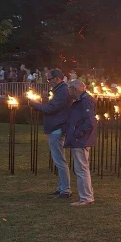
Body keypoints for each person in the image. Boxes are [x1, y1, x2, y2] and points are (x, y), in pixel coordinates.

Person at [29, 69, 73, 198]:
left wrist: (35, 104)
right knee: (58, 159)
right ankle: (61, 188)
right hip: (54, 126)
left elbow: (51, 109)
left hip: (56, 127)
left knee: (59, 160)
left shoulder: (63, 91)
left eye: (50, 79)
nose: (48, 81)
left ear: (58, 78)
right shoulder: (59, 90)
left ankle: (65, 189)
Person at [65, 80, 97, 206]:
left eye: (69, 89)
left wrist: (77, 134)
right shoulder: (82, 101)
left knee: (82, 169)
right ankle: (86, 196)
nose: (68, 92)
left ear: (75, 89)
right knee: (81, 168)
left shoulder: (85, 101)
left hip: (81, 139)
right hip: (81, 138)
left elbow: (90, 122)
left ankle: (86, 198)